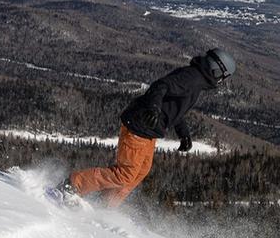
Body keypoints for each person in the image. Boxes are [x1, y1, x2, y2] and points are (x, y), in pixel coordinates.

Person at [55, 48, 235, 207]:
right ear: (218, 71)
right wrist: (153, 108)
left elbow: (173, 106)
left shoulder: (196, 80)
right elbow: (160, 86)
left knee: (139, 172)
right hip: (140, 126)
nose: (222, 81)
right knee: (125, 174)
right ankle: (71, 186)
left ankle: (104, 206)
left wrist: (183, 133)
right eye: (223, 77)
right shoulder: (192, 78)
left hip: (149, 130)